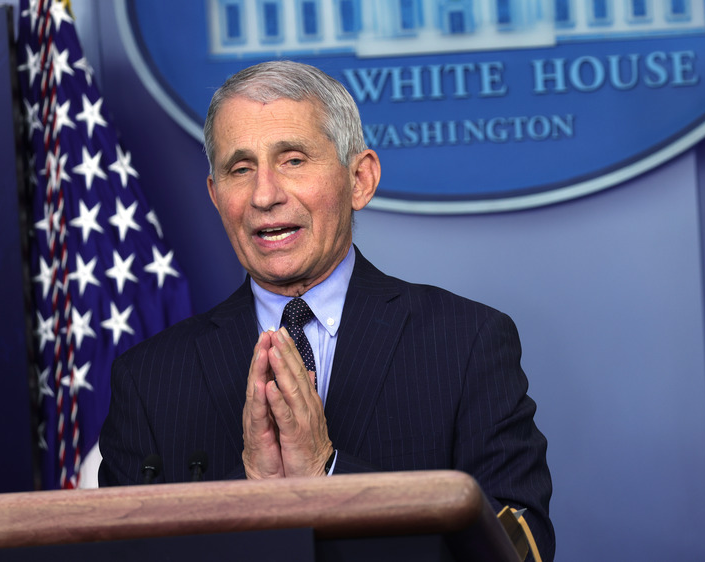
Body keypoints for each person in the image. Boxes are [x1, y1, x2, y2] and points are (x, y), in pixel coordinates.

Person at [98, 60, 554, 560]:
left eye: (292, 160)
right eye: (240, 168)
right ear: (215, 194)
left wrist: (328, 474)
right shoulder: (148, 379)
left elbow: (518, 551)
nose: (265, 195)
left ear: (360, 179)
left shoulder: (466, 344)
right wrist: (250, 492)